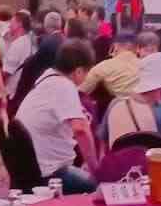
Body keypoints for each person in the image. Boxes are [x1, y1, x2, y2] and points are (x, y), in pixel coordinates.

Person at [16, 38, 99, 193]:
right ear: (79, 71)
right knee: (101, 188)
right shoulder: (64, 86)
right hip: (50, 173)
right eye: (87, 72)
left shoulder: (47, 78)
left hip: (31, 165)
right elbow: (80, 130)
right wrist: (96, 169)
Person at [105, 54, 161, 147]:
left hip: (118, 155)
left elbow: (103, 141)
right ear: (160, 87)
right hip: (156, 155)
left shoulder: (114, 104)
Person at [81, 31, 148, 99]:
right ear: (137, 48)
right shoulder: (146, 66)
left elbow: (82, 91)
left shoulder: (103, 66)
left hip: (120, 104)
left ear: (115, 47)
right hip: (145, 104)